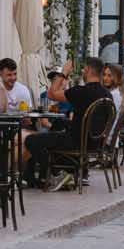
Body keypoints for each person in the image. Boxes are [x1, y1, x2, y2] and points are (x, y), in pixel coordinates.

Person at [24, 57, 111, 189]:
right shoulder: (107, 95)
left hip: (76, 141)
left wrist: (63, 73)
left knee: (31, 140)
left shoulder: (81, 91)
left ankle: (54, 174)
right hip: (96, 142)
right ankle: (67, 171)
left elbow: (51, 94)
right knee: (59, 123)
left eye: (84, 69)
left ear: (87, 70)